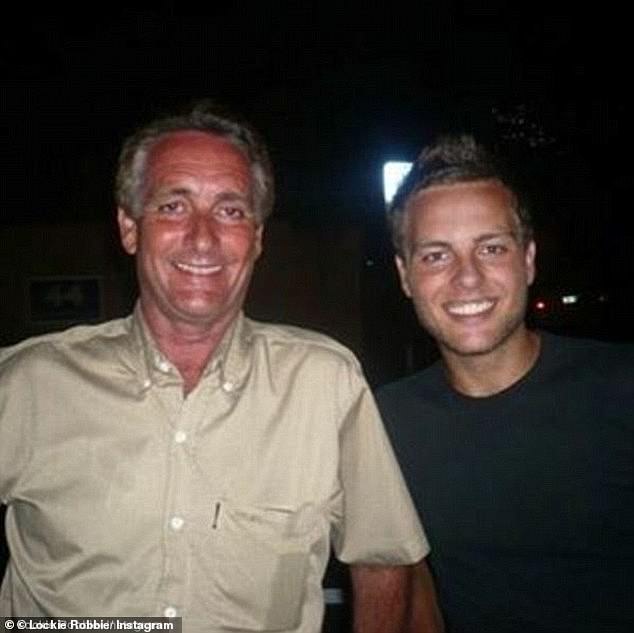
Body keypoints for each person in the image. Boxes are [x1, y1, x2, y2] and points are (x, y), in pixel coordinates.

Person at [0, 102, 444, 632]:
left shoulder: (323, 383)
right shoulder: (28, 383)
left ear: (256, 238)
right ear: (128, 227)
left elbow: (383, 559)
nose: (203, 237)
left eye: (231, 211)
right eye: (173, 206)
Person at [376, 135, 634, 633]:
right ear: (405, 276)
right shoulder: (386, 422)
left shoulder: (621, 390)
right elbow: (414, 581)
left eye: (491, 248)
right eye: (436, 255)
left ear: (529, 260)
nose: (467, 278)